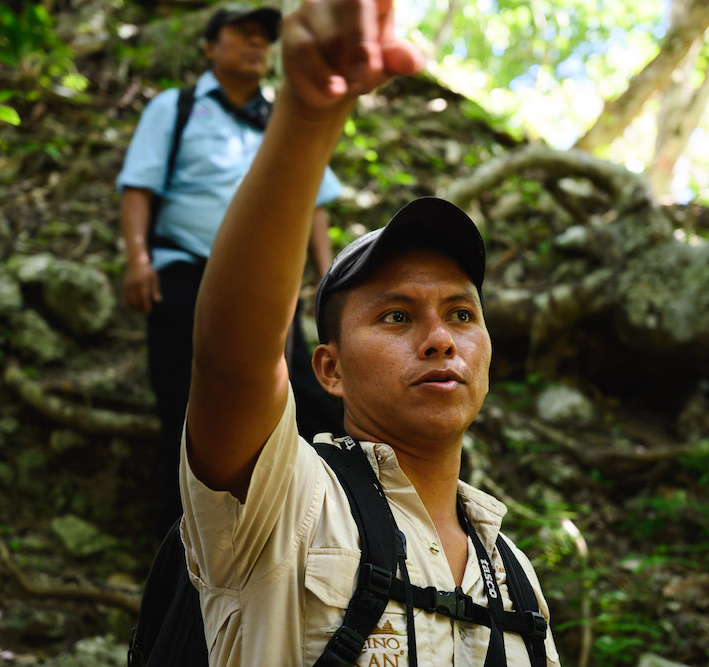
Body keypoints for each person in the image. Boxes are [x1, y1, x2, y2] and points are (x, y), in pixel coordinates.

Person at [181, 0, 561, 664]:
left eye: (462, 314)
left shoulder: (517, 579)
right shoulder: (288, 504)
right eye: (396, 316)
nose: (441, 338)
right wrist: (308, 113)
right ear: (327, 368)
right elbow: (232, 360)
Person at [116, 4, 343, 535]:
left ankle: (295, 536)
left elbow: (314, 201)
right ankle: (182, 560)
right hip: (186, 273)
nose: (256, 44)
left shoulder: (284, 114)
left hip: (271, 288)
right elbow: (139, 185)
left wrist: (331, 281)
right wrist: (137, 258)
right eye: (241, 34)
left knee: (301, 406)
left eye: (264, 37)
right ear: (209, 47)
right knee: (185, 408)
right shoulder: (177, 107)